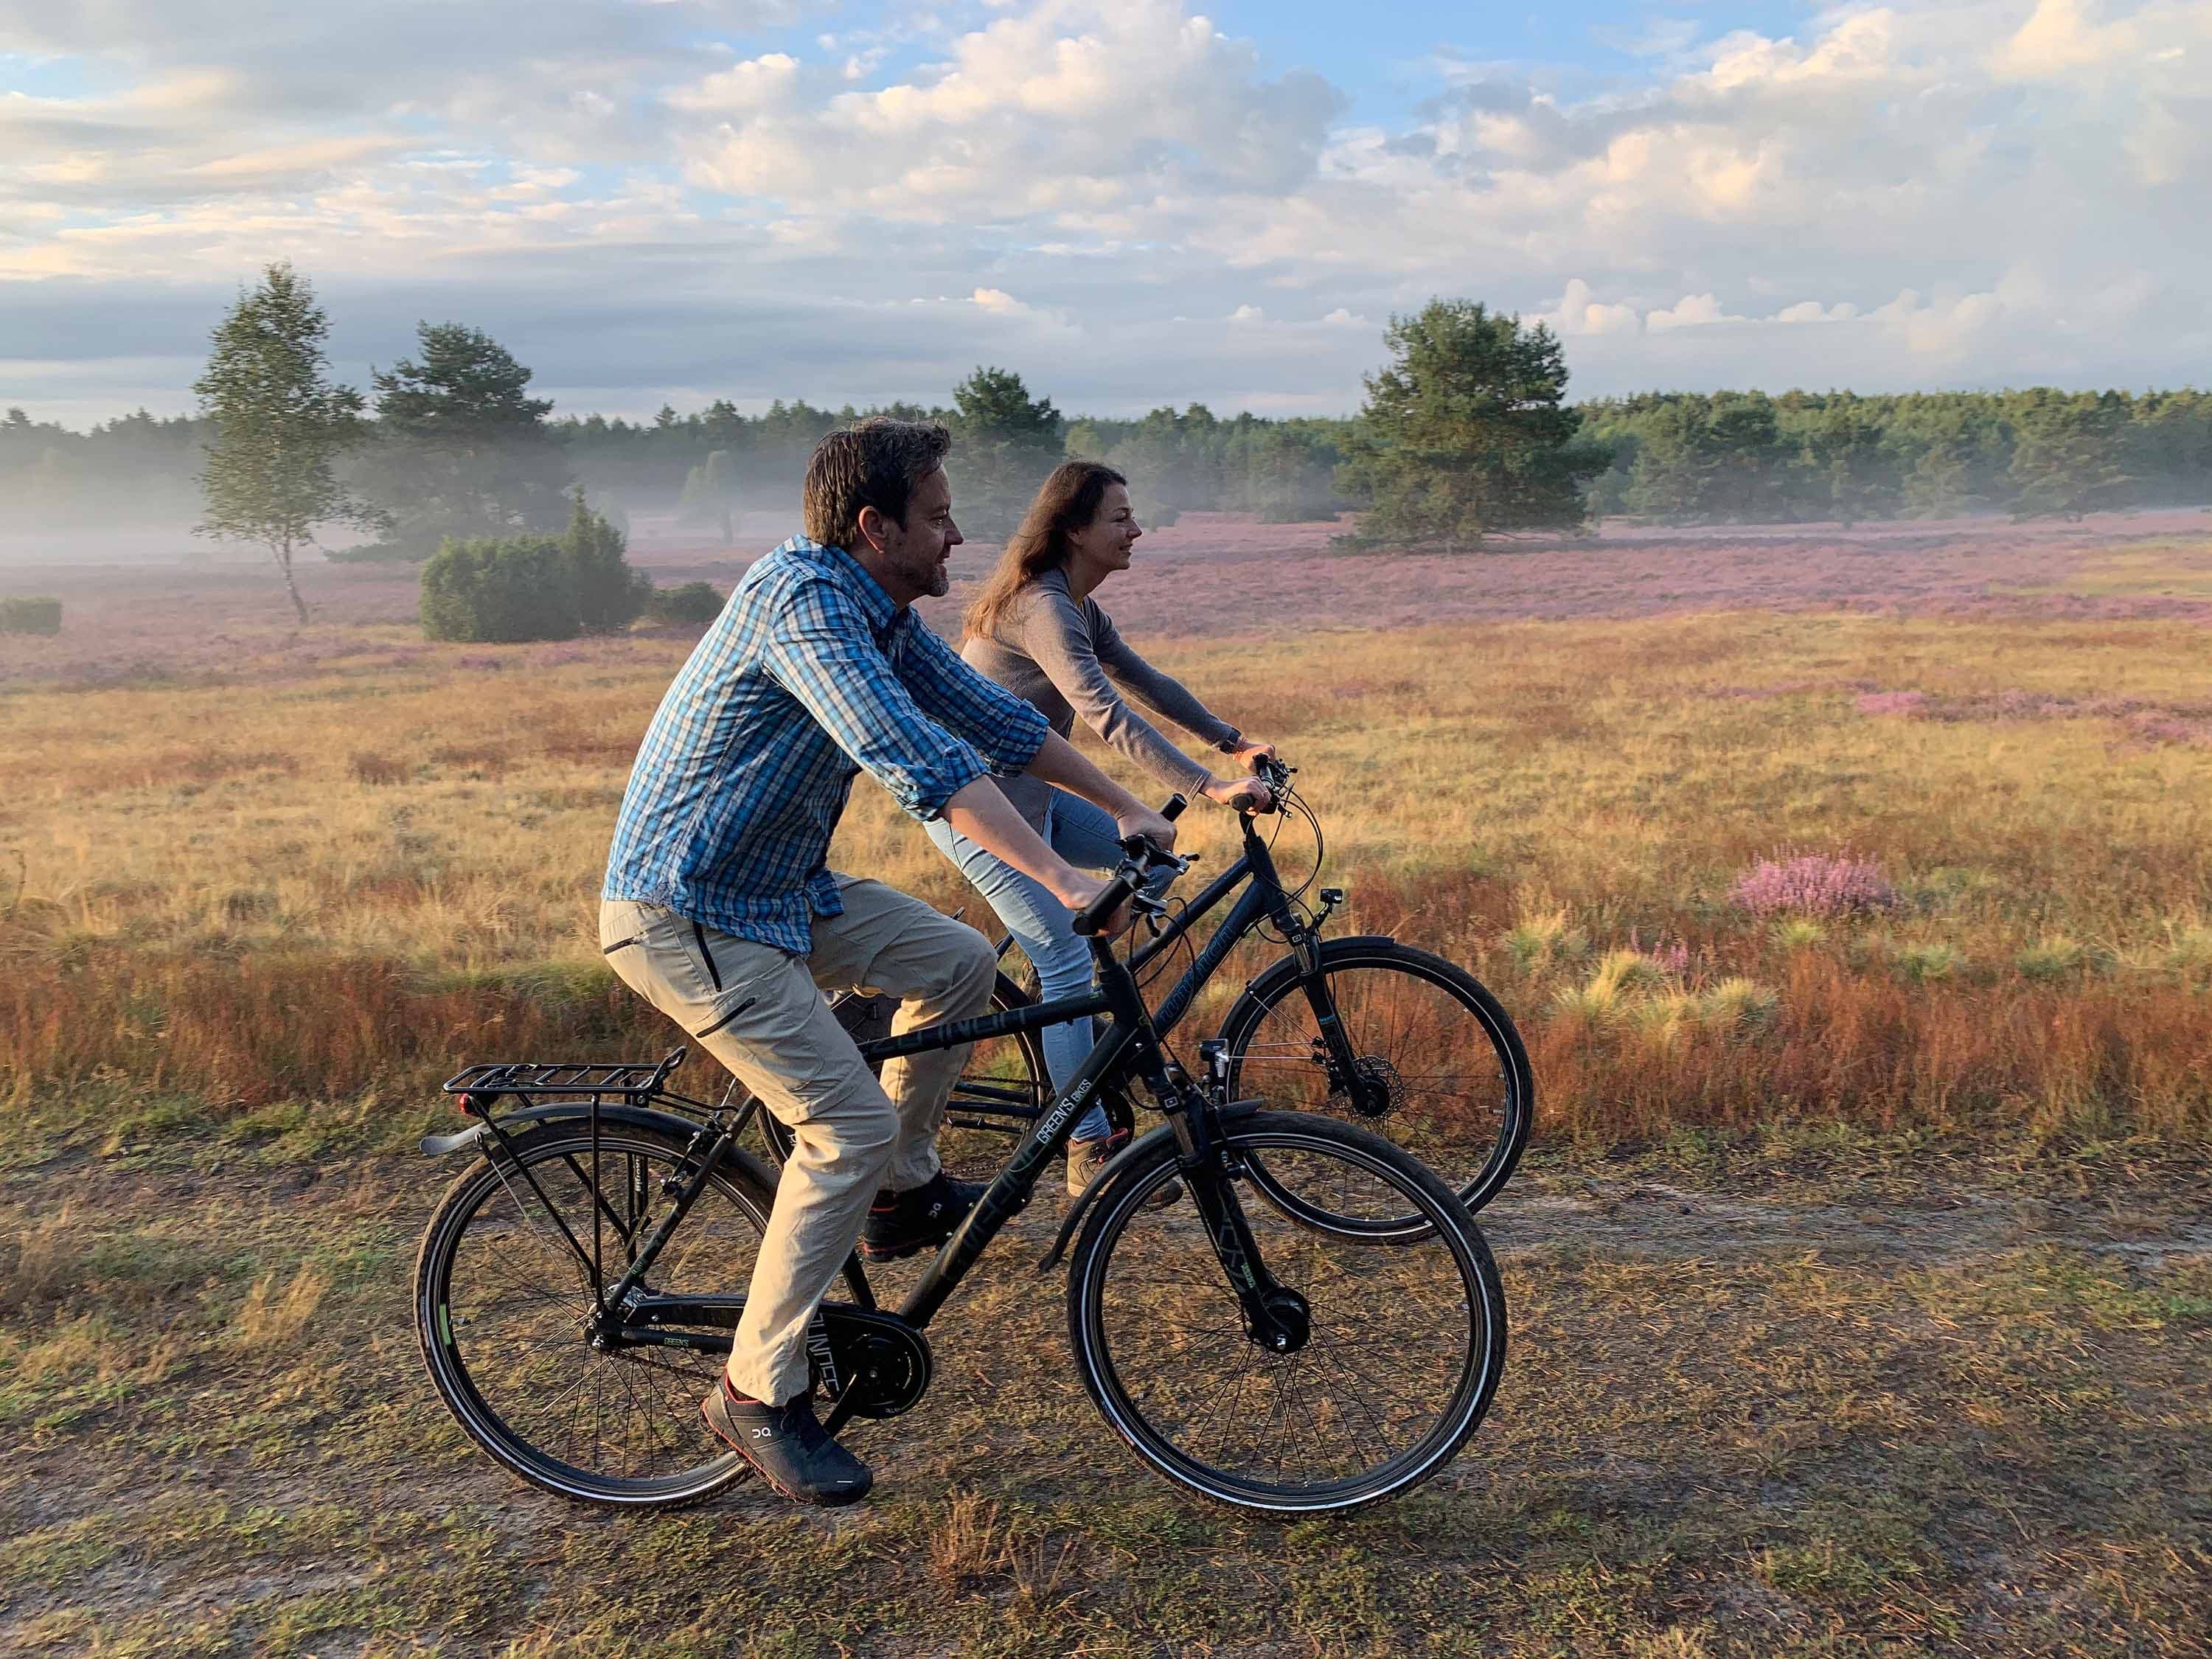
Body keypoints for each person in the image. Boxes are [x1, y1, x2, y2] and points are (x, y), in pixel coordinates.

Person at [600, 420, 1174, 1508]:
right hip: (687, 912)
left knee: (958, 962)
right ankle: (756, 1390)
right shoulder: (806, 607)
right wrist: (1060, 879)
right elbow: (915, 756)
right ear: (876, 526)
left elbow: (991, 718)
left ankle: (899, 1196)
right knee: (845, 1126)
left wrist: (1127, 807)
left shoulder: (877, 610)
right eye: (940, 516)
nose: (959, 537)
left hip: (780, 891)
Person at [925, 461, 1275, 1198]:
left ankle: (1076, 1026)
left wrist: (1233, 742)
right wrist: (1209, 786)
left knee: (1158, 864)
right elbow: (1103, 710)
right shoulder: (1042, 607)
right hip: (977, 811)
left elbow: (1147, 683)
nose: (1136, 530)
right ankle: (1084, 1147)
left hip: (1036, 800)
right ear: (1075, 529)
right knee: (1064, 959)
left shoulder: (1078, 606)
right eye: (1120, 518)